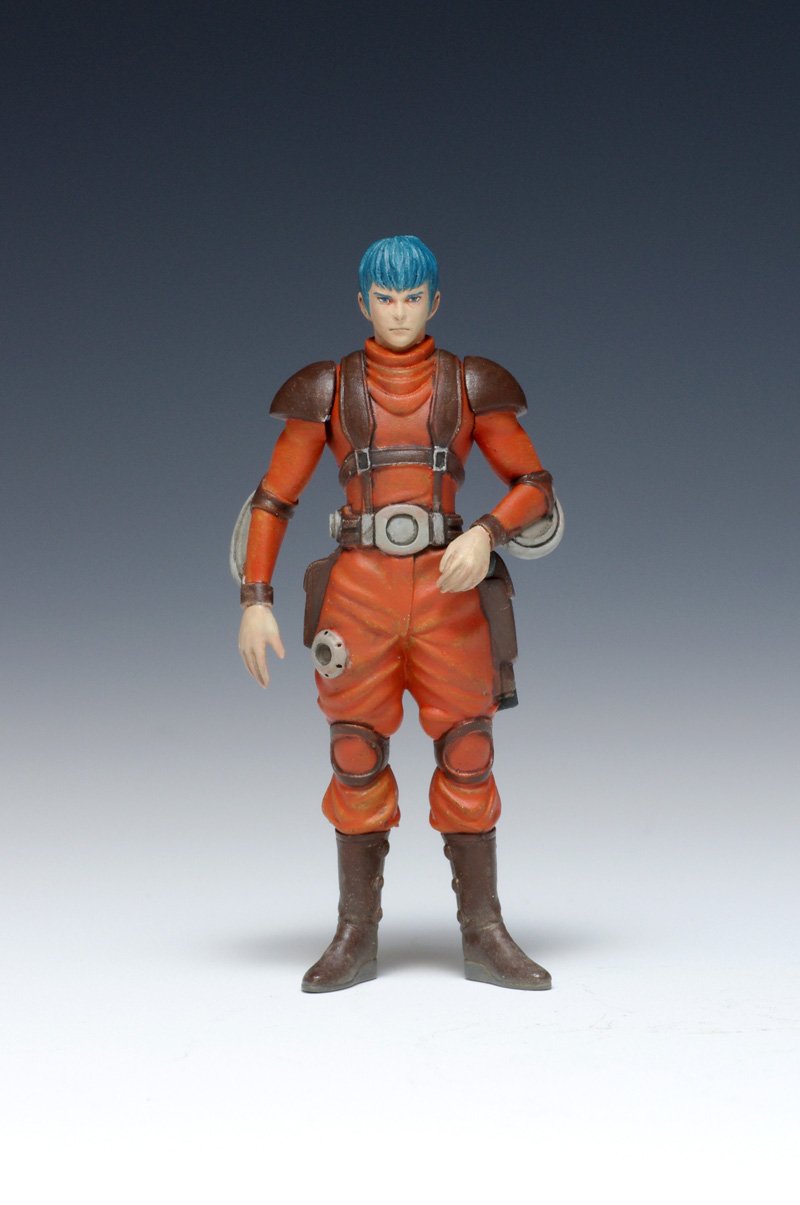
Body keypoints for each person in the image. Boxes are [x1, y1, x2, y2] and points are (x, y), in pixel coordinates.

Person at [237, 235, 559, 993]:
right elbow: (273, 498)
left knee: (469, 751)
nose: (400, 312)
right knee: (354, 753)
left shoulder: (470, 384)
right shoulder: (330, 389)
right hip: (361, 593)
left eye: (413, 298)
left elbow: (536, 484)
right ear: (363, 304)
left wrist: (486, 532)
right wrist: (254, 599)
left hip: (449, 589)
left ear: (435, 301)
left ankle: (484, 931)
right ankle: (356, 932)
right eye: (386, 298)